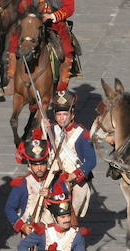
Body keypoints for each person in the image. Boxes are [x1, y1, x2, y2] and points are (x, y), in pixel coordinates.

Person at [5, 136, 69, 235]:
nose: (39, 168)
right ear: (29, 165)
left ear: (47, 163)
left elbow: (66, 201)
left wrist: (51, 195)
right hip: (30, 229)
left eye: (42, 164)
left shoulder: (55, 179)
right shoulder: (22, 183)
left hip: (53, 229)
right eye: (35, 165)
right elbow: (9, 208)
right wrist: (22, 226)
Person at [47, 89, 95, 218]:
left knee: (72, 211)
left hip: (75, 179)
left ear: (72, 115)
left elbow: (91, 161)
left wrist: (74, 175)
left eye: (65, 114)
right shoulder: (50, 130)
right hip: (53, 177)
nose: (62, 118)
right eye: (58, 115)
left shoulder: (82, 133)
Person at [9, 0, 77, 91]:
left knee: (66, 47)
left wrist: (52, 16)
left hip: (55, 23)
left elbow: (69, 8)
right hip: (34, 20)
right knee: (14, 37)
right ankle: (12, 74)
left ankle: (62, 86)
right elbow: (23, 5)